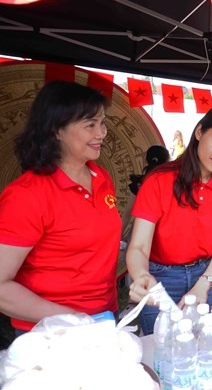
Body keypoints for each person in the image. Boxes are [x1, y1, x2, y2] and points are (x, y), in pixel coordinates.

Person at [0, 81, 120, 334]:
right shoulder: (27, 196)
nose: (101, 133)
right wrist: (71, 317)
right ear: (56, 130)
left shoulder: (101, 178)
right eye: (90, 125)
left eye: (102, 123)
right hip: (51, 330)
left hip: (104, 318)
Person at [127, 106, 212, 335]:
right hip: (161, 280)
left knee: (208, 347)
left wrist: (203, 285)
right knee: (163, 352)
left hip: (207, 274)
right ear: (199, 132)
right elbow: (138, 246)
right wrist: (142, 276)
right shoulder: (159, 181)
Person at [121, 145, 170, 237]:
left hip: (139, 232)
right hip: (162, 235)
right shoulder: (171, 184)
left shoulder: (140, 184)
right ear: (167, 161)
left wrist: (116, 240)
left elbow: (127, 215)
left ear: (146, 160)